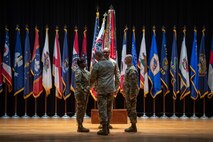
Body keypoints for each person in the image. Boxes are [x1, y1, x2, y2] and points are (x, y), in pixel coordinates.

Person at [90, 51, 120, 135]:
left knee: (102, 109)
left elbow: (92, 78)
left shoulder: (97, 65)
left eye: (95, 56)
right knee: (109, 108)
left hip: (102, 90)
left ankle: (104, 129)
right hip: (111, 89)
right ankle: (107, 126)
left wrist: (89, 87)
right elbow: (116, 76)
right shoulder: (111, 64)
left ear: (97, 56)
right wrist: (116, 87)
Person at [97, 48, 120, 129]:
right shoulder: (99, 63)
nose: (106, 53)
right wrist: (96, 88)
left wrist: (116, 88)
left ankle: (108, 123)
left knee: (109, 107)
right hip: (101, 88)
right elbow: (96, 77)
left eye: (107, 52)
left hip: (110, 88)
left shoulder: (113, 62)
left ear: (110, 53)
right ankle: (102, 123)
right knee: (101, 107)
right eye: (104, 52)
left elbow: (117, 76)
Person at [122, 54, 139, 132]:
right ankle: (133, 125)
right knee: (130, 109)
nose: (124, 60)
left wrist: (132, 94)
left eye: (125, 59)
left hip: (131, 93)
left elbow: (133, 84)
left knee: (132, 109)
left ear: (129, 60)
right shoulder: (128, 69)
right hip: (128, 93)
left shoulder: (132, 70)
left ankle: (133, 126)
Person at [74, 57, 90, 132]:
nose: (85, 63)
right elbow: (78, 82)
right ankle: (79, 126)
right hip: (80, 93)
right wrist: (84, 90)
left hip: (85, 93)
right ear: (80, 64)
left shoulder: (85, 71)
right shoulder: (78, 72)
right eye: (84, 62)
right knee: (80, 109)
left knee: (83, 109)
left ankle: (81, 125)